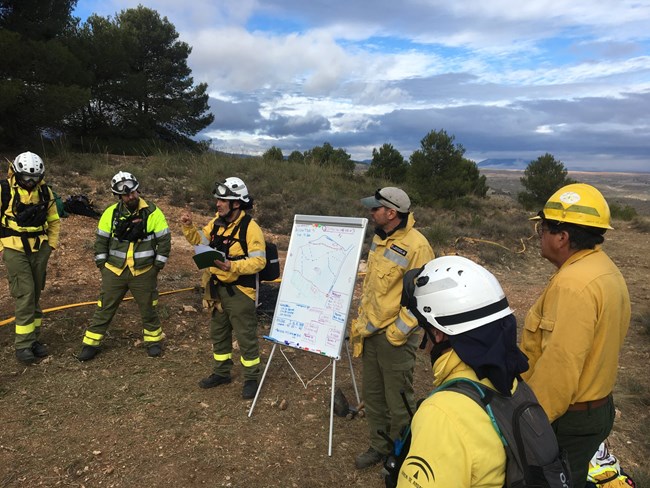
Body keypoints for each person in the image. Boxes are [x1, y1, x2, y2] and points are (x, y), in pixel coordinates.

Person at [521, 183, 631, 486]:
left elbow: (560, 368)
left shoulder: (573, 284)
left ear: (562, 236)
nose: (538, 236)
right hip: (593, 408)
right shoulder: (604, 269)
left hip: (567, 419)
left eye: (543, 229)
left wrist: (529, 422)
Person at [397, 255, 530, 486]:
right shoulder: (511, 382)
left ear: (438, 334)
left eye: (423, 329)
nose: (423, 345)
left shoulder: (442, 415)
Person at [350, 187, 434, 469]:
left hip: (395, 339)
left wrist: (398, 331)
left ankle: (402, 454)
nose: (371, 212)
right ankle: (379, 446)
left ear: (391, 212)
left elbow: (423, 298)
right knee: (373, 397)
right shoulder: (379, 239)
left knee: (398, 401)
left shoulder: (418, 246)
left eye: (376, 208)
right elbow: (375, 288)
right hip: (371, 334)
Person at [180, 177, 266, 400]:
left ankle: (251, 378)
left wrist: (232, 265)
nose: (217, 204)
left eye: (223, 200)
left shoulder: (250, 227)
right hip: (217, 289)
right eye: (217, 199)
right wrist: (188, 226)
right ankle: (221, 373)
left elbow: (259, 262)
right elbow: (200, 241)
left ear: (236, 203)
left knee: (245, 336)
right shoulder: (217, 221)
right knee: (218, 333)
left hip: (240, 292)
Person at [77, 171, 171, 361]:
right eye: (127, 195)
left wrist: (156, 268)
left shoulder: (153, 212)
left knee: (148, 308)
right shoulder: (110, 214)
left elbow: (164, 241)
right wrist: (102, 265)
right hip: (114, 270)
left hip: (144, 272)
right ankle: (91, 344)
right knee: (104, 307)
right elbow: (101, 241)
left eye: (134, 192)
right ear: (119, 196)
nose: (131, 196)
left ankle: (153, 342)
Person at [1, 151, 60, 364]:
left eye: (35, 178)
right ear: (17, 173)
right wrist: (2, 247)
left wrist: (50, 245)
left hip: (40, 248)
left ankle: (34, 339)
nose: (30, 182)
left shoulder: (45, 192)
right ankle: (23, 345)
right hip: (14, 248)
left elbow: (54, 221)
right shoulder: (4, 190)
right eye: (26, 178)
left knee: (34, 293)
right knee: (25, 293)